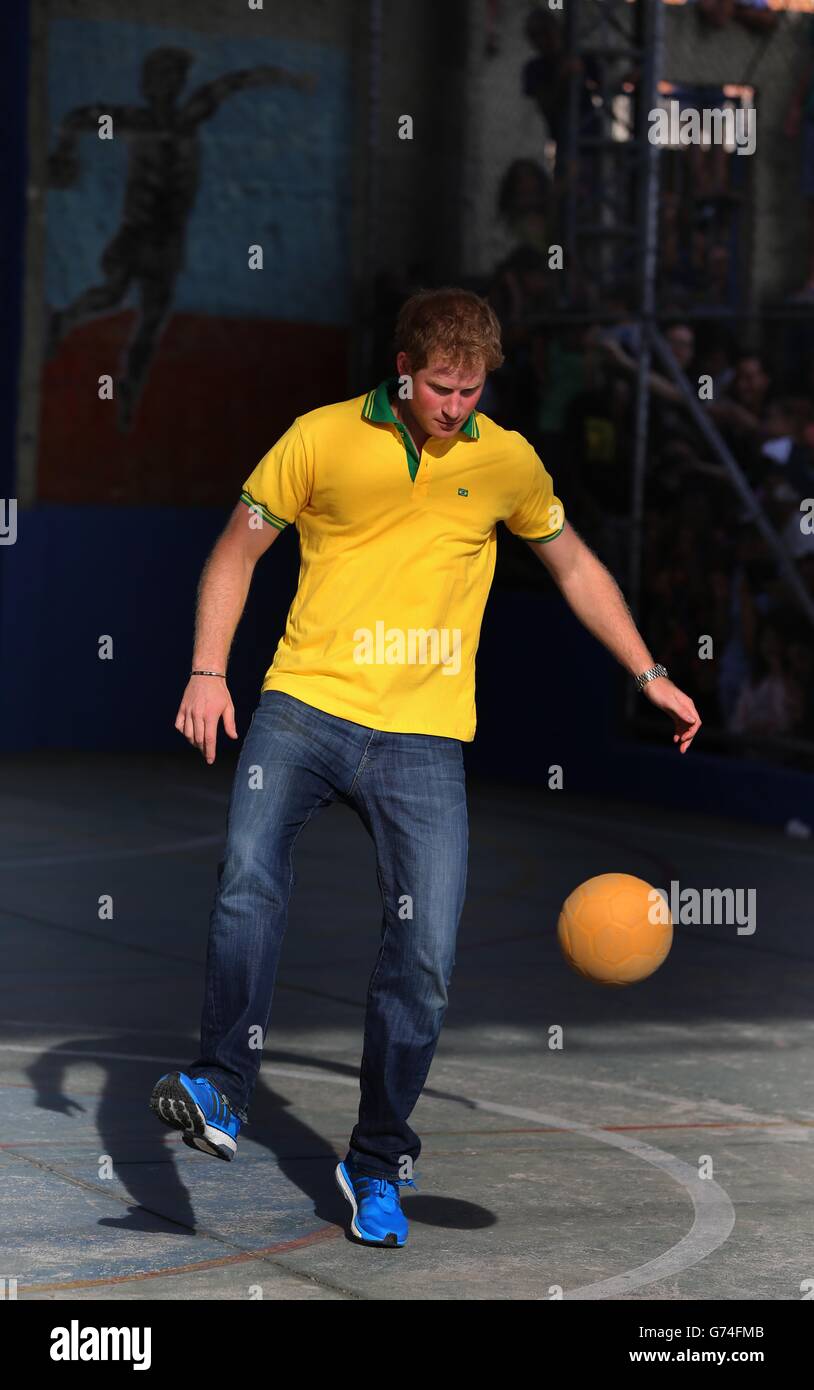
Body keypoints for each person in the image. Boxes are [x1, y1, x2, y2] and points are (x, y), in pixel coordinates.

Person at [149, 287, 701, 1248]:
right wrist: (208, 670)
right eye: (441, 388)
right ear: (402, 370)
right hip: (305, 706)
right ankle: (223, 1089)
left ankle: (376, 1166)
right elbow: (235, 552)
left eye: (473, 389)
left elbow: (573, 565)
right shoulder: (318, 438)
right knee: (247, 878)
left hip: (423, 740)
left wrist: (647, 670)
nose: (456, 407)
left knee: (428, 958)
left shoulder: (507, 460)